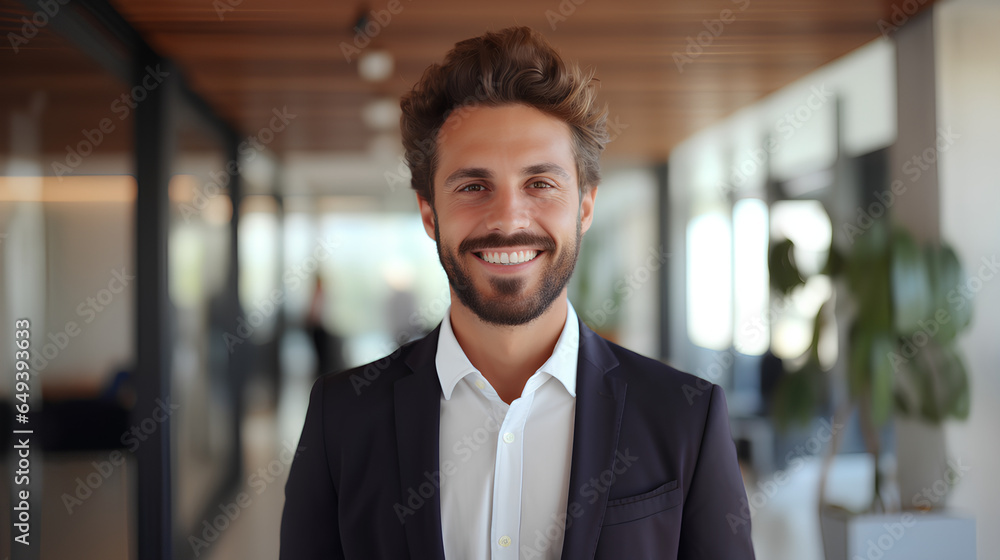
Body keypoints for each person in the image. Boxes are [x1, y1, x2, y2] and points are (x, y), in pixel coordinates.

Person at [280, 26, 755, 559]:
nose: (508, 220)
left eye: (540, 184)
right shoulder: (341, 418)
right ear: (429, 213)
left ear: (586, 207)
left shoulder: (684, 416)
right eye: (473, 186)